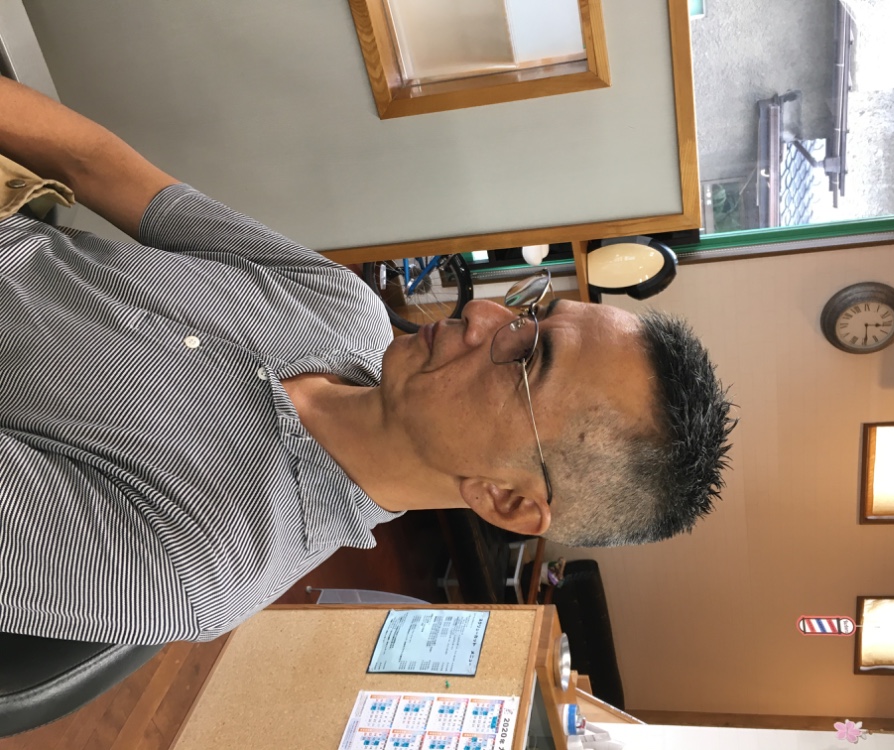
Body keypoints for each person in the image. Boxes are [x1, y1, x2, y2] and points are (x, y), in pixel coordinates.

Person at [0, 78, 735, 645]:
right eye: (532, 312)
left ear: (506, 501)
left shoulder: (193, 561)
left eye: (526, 356)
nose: (483, 316)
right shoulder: (345, 308)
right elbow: (97, 166)